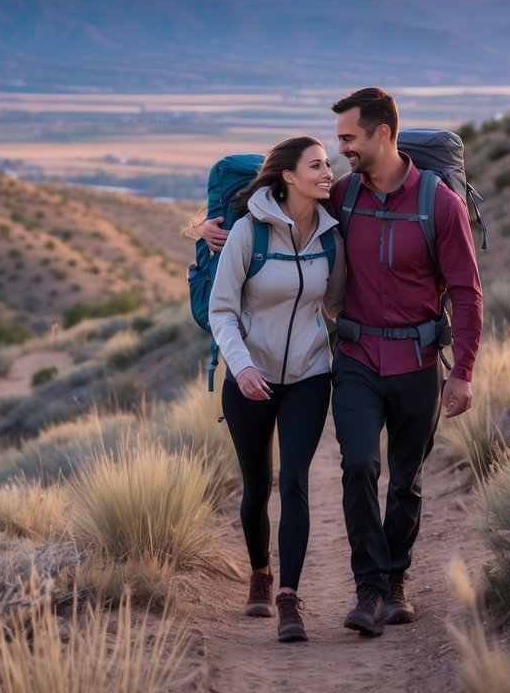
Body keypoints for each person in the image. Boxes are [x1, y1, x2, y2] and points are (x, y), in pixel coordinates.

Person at [204, 88, 482, 638]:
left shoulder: (438, 204)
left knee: (406, 479)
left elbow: (468, 291)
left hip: (418, 360)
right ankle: (369, 591)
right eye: (336, 143)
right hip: (354, 356)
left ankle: (395, 579)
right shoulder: (343, 196)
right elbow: (280, 204)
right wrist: (216, 224)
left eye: (348, 139)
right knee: (358, 467)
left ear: (382, 134)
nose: (340, 152)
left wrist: (464, 369)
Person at [207, 135, 346, 644]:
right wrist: (241, 367)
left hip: (309, 375)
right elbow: (221, 310)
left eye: (329, 163)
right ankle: (260, 573)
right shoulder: (249, 232)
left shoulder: (331, 236)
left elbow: (335, 305)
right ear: (288, 176)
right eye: (317, 165)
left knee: (295, 482)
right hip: (250, 377)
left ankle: (288, 598)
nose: (327, 172)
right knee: (257, 485)